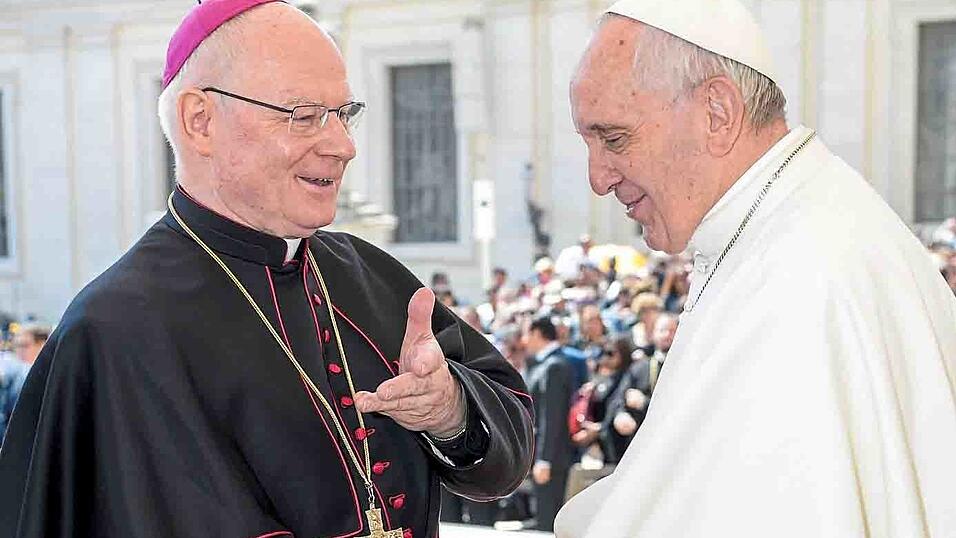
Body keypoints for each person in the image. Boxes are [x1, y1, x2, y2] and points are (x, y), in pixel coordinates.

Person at [0, 2, 533, 537]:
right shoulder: (114, 329)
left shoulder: (370, 277)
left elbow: (512, 440)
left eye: (344, 113)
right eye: (303, 116)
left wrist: (449, 411)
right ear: (200, 122)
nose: (343, 146)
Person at [557, 0, 956, 536]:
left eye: (614, 138)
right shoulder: (775, 231)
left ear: (716, 113)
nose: (597, 178)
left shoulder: (801, 278)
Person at [521, 316, 575, 532]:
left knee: (548, 522)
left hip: (552, 458)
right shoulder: (545, 364)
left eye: (527, 334)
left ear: (536, 333)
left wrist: (545, 459)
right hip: (546, 455)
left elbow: (551, 417)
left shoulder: (554, 366)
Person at [600, 314, 677, 465]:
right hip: (643, 446)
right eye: (663, 330)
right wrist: (620, 414)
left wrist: (645, 403)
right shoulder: (640, 368)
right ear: (653, 334)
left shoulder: (686, 368)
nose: (667, 335)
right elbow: (618, 399)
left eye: (672, 331)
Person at [0, 324, 49, 445]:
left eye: (24, 345)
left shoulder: (49, 373)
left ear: (42, 344)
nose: (19, 351)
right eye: (17, 346)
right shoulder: (14, 371)